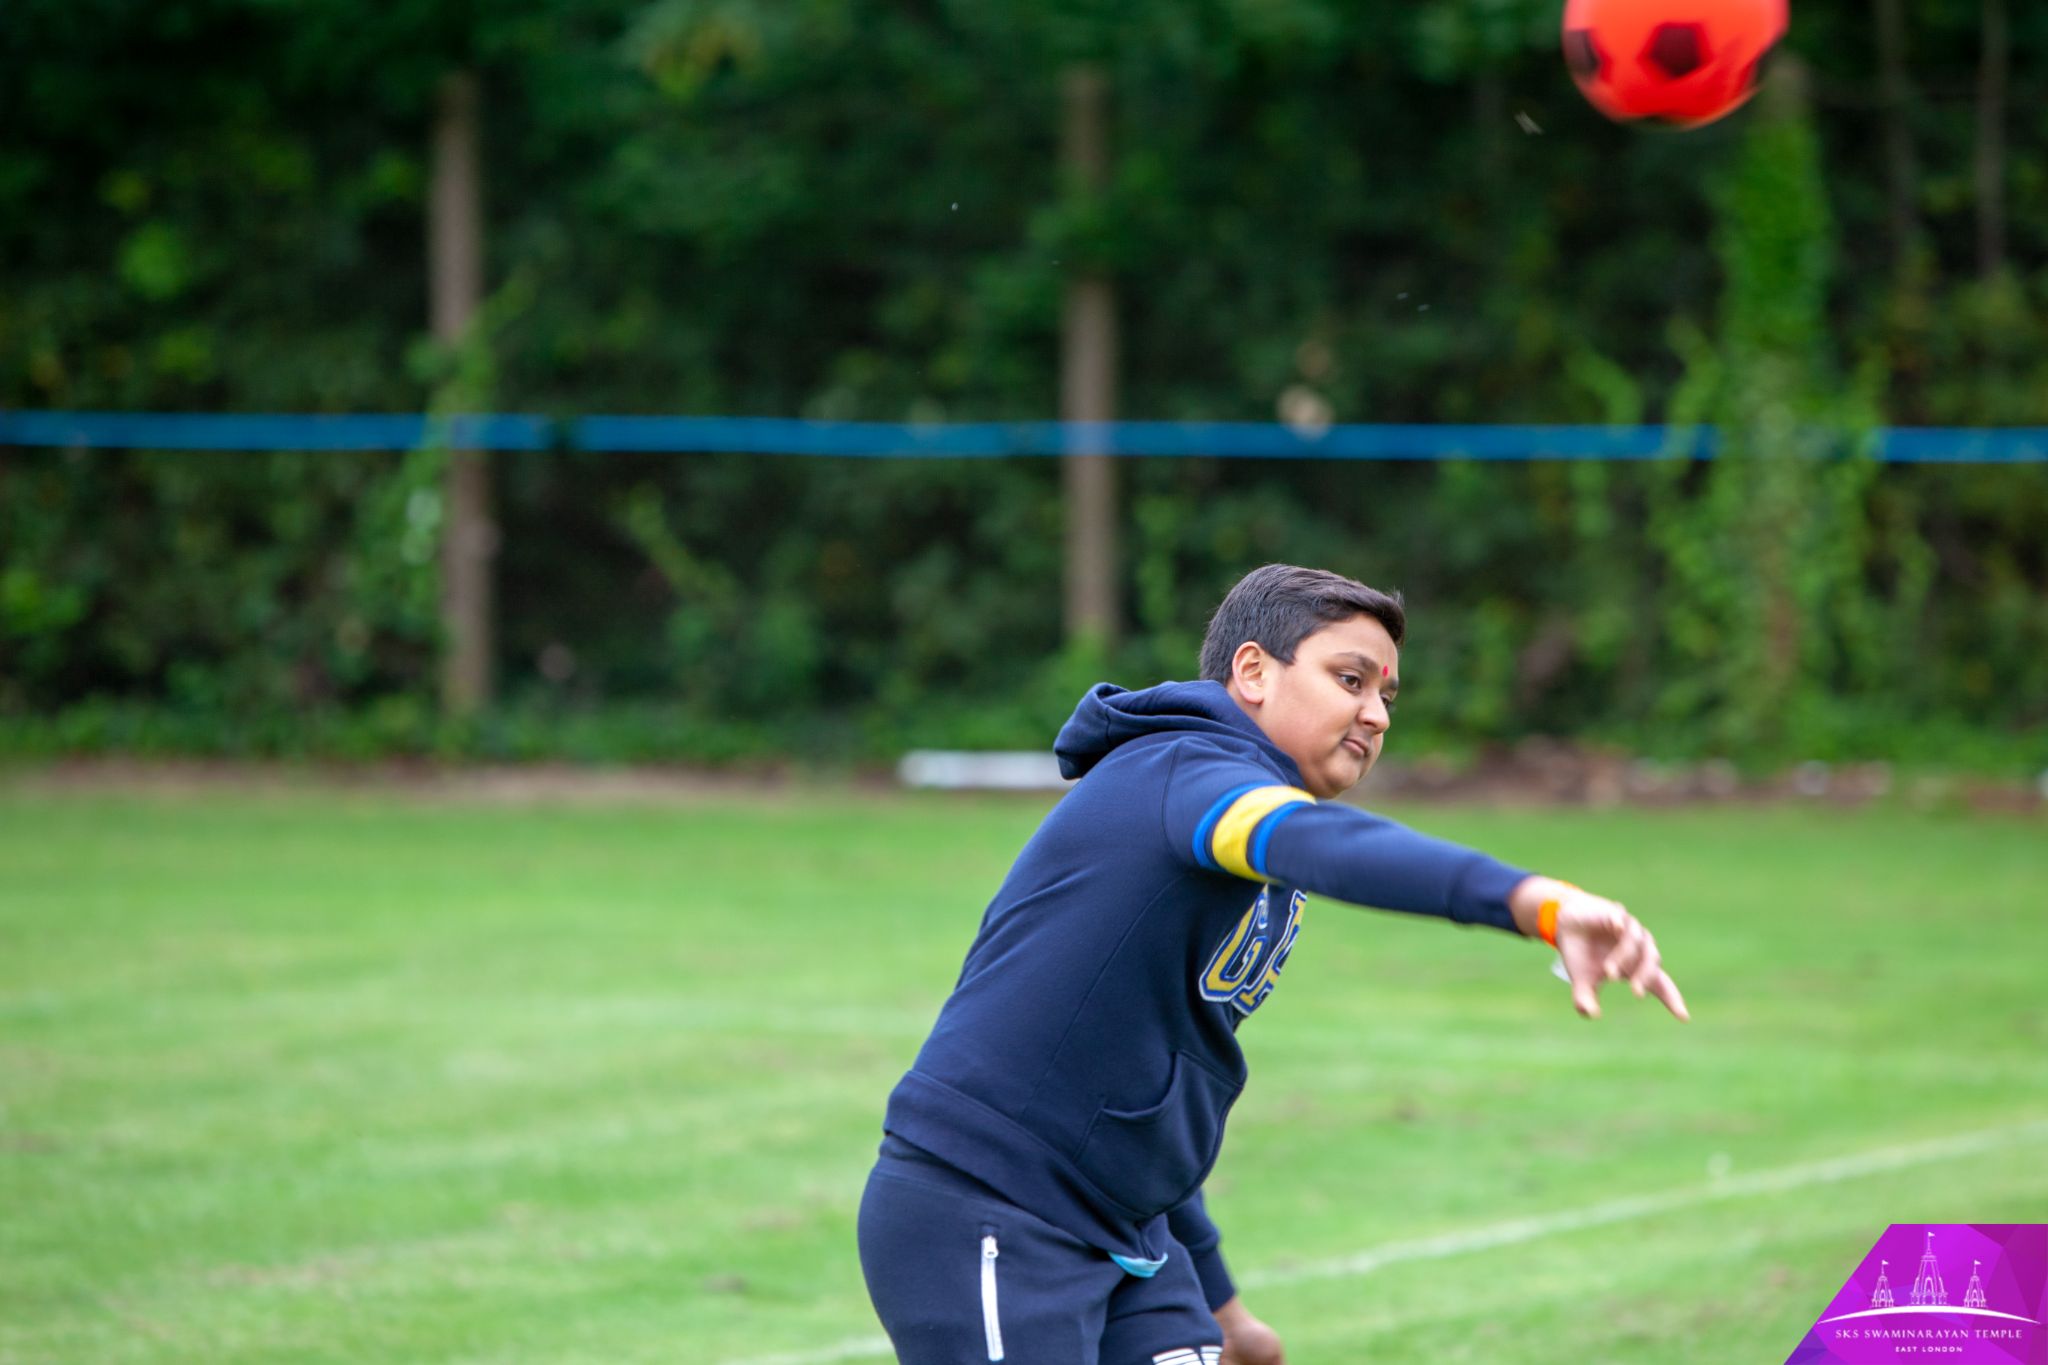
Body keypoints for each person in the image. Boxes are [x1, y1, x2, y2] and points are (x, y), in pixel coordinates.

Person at [857, 563, 1689, 1365]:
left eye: (1387, 696)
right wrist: (1535, 902)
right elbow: (1324, 844)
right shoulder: (1190, 773)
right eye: (1351, 679)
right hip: (989, 1205)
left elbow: (1148, 1081)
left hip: (1130, 1237)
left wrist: (1225, 1308)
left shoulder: (1239, 830)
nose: (1376, 715)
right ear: (1253, 671)